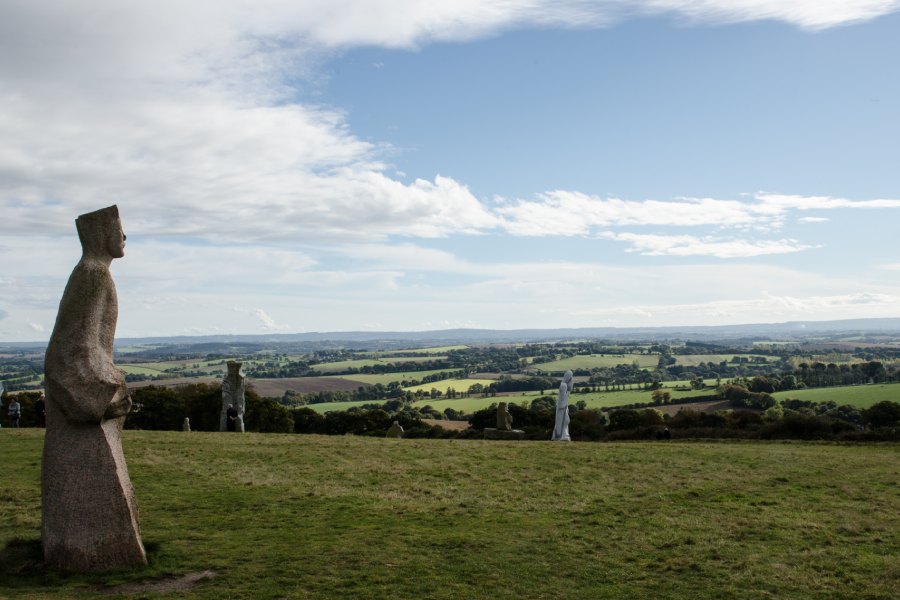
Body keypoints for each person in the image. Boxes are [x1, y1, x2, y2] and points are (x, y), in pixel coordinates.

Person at [552, 370, 573, 441]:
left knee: (564, 421)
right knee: (563, 421)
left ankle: (563, 435)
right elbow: (562, 398)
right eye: (571, 377)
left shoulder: (564, 384)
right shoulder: (563, 385)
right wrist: (569, 392)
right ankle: (561, 436)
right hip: (562, 407)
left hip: (563, 406)